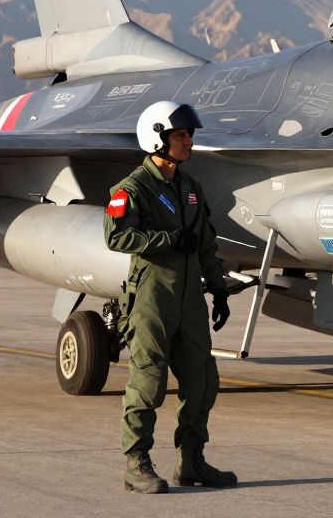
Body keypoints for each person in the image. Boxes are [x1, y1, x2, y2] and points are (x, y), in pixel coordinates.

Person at [104, 101, 235, 494]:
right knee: (149, 381)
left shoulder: (190, 189)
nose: (188, 141)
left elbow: (206, 242)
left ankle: (191, 460)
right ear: (157, 138)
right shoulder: (131, 189)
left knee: (202, 380)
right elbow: (116, 236)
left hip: (189, 298)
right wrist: (167, 239)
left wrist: (219, 288)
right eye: (180, 135)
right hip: (151, 297)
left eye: (189, 135)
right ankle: (136, 463)